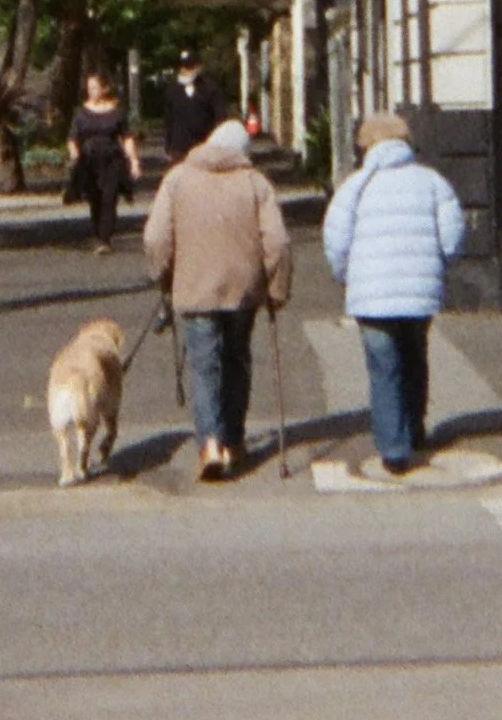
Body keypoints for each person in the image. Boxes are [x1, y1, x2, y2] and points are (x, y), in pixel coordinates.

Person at [144, 117, 291, 479]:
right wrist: (277, 289)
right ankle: (235, 440)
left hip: (195, 288)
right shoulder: (255, 183)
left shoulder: (177, 179)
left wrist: (162, 274)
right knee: (237, 360)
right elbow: (278, 242)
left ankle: (210, 442)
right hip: (243, 290)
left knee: (204, 365)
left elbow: (155, 237)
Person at [323, 111, 467, 475]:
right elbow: (452, 237)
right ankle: (416, 429)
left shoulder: (355, 186)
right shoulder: (432, 182)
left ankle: (394, 447)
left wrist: (345, 276)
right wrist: (437, 266)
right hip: (419, 292)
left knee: (384, 366)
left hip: (371, 295)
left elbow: (336, 242)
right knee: (415, 356)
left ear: (367, 146)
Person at [67, 67, 140, 251]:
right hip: (90, 160)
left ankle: (105, 239)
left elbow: (127, 137)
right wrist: (74, 153)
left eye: (95, 87)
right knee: (95, 198)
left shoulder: (117, 112)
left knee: (110, 197)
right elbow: (72, 138)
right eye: (89, 87)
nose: (91, 91)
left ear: (105, 88)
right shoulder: (81, 113)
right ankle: (98, 232)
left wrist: (133, 161)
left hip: (112, 159)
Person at [161, 46, 227, 162]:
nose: (186, 70)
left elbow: (220, 117)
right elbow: (168, 120)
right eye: (183, 67)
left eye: (190, 67)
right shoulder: (173, 90)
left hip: (204, 146)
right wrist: (168, 146)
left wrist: (218, 145)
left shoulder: (210, 89)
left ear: (199, 67)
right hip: (179, 148)